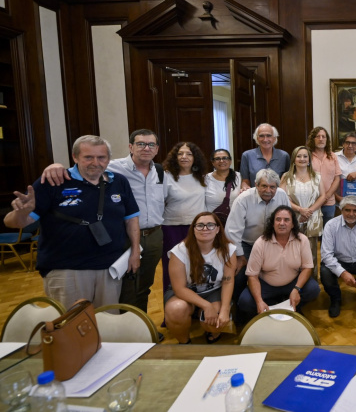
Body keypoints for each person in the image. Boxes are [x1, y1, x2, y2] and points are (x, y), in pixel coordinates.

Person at [5, 135, 140, 308]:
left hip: (110, 268)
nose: (95, 162)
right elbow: (15, 222)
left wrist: (135, 251)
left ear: (108, 159)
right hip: (67, 269)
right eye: (88, 157)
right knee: (72, 328)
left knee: (107, 323)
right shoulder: (54, 181)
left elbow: (131, 218)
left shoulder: (118, 182)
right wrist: (21, 213)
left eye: (101, 157)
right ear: (75, 157)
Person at [39, 129, 162, 313]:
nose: (146, 148)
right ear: (131, 147)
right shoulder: (113, 167)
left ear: (157, 148)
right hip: (117, 240)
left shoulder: (159, 171)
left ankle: (139, 330)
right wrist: (54, 166)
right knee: (122, 292)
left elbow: (153, 206)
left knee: (142, 287)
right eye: (140, 144)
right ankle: (122, 328)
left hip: (151, 236)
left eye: (151, 144)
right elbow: (84, 167)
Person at [225, 169, 291, 315]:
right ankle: (240, 310)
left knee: (280, 270)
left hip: (274, 243)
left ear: (277, 187)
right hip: (247, 244)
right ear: (255, 184)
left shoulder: (282, 195)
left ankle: (281, 304)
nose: (268, 190)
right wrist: (240, 256)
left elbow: (289, 220)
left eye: (272, 187)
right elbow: (232, 231)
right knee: (240, 275)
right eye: (264, 186)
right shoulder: (243, 199)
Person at [163, 212, 235, 344]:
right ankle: (184, 342)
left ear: (218, 229)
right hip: (185, 293)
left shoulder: (228, 250)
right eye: (200, 225)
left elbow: (228, 281)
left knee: (218, 317)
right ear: (193, 229)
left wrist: (225, 309)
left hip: (214, 291)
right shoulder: (179, 251)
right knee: (176, 309)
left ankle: (213, 332)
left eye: (210, 225)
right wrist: (206, 306)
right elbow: (179, 289)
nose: (205, 229)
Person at [237, 206, 320, 316]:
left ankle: (294, 306)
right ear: (272, 223)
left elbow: (307, 268)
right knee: (245, 302)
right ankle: (274, 305)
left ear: (293, 224)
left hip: (292, 283)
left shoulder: (302, 240)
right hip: (266, 285)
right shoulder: (260, 243)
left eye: (286, 220)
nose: (282, 223)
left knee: (313, 289)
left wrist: (296, 289)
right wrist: (259, 301)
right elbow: (252, 275)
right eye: (278, 219)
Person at [161, 142, 208, 292]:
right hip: (171, 228)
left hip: (197, 228)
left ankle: (196, 302)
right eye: (180, 153)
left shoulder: (202, 177)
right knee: (173, 266)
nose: (184, 157)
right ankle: (172, 302)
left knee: (197, 265)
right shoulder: (166, 176)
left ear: (195, 158)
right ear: (174, 157)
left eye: (188, 154)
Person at [280, 145, 327, 264]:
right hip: (294, 218)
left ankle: (312, 280)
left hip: (313, 218)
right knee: (293, 251)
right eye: (299, 156)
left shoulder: (317, 176)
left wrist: (309, 211)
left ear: (309, 159)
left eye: (305, 156)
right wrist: (300, 210)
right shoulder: (287, 176)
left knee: (311, 253)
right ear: (294, 160)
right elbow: (282, 197)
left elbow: (323, 196)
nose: (302, 159)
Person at [307, 127, 343, 225]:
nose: (321, 139)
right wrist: (319, 199)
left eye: (324, 136)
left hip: (329, 202)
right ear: (313, 139)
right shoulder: (307, 155)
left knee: (327, 233)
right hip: (311, 202)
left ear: (327, 140)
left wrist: (326, 197)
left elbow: (337, 178)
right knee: (312, 233)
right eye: (318, 136)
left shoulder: (332, 156)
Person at [240, 123, 290, 190]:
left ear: (274, 138)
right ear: (257, 138)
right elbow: (245, 180)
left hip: (278, 197)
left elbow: (288, 180)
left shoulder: (284, 156)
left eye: (268, 135)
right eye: (261, 136)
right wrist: (244, 186)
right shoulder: (247, 155)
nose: (265, 139)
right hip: (255, 197)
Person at [204, 149, 242, 217]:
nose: (221, 161)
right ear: (213, 162)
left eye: (225, 158)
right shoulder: (206, 179)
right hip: (213, 223)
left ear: (230, 161)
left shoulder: (240, 177)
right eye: (217, 159)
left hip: (236, 221)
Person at [335, 132, 356, 204]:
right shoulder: (335, 157)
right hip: (340, 199)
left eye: (353, 143)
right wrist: (337, 198)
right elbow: (328, 181)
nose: (350, 145)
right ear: (343, 144)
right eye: (347, 142)